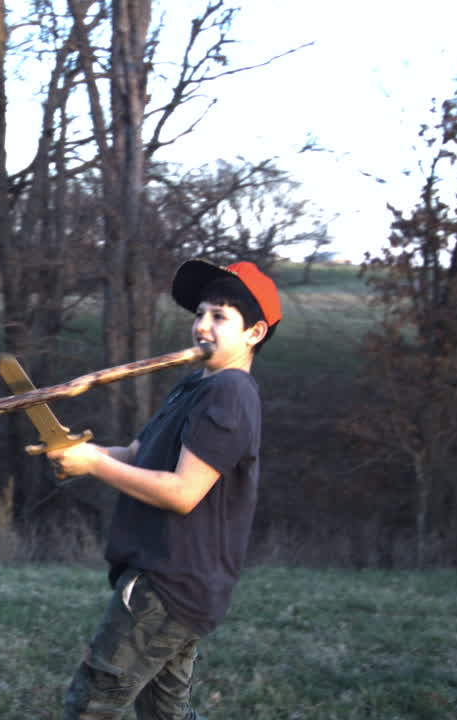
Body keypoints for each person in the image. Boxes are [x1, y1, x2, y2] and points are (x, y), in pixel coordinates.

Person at [49, 259, 282, 719]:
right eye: (200, 314)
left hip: (170, 584)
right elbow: (138, 454)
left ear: (253, 333)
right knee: (165, 714)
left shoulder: (231, 393)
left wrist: (93, 464)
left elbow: (182, 492)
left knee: (92, 705)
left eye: (219, 317)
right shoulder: (196, 384)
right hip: (170, 580)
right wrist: (79, 455)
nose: (201, 327)